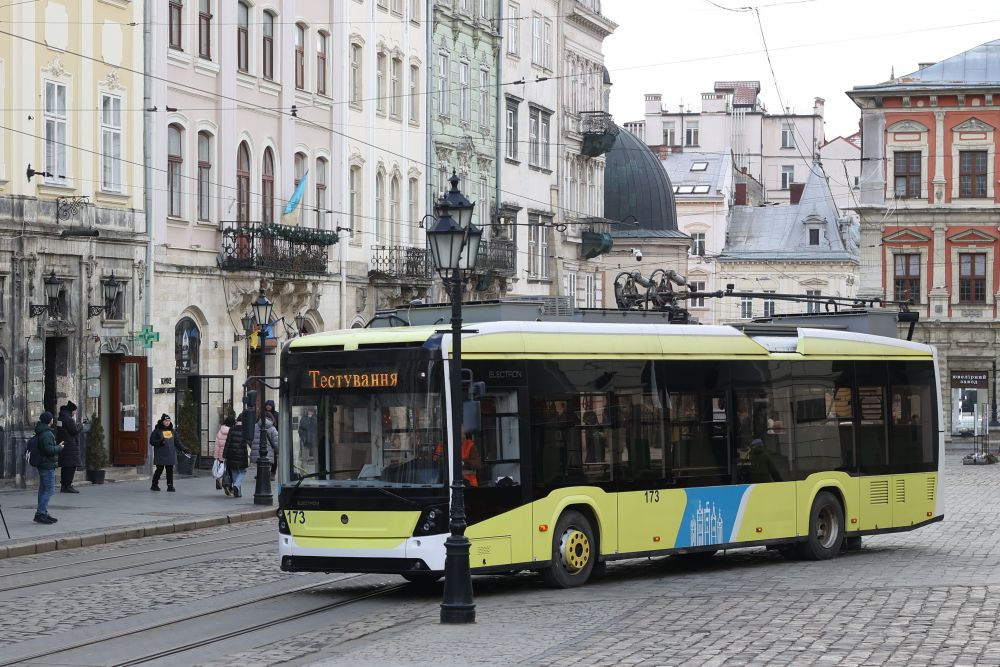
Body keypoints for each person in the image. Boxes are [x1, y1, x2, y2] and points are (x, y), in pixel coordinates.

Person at [34, 411, 63, 524]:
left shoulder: (42, 431)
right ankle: (41, 513)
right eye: (51, 418)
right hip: (47, 465)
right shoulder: (47, 433)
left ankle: (43, 512)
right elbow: (48, 450)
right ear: (49, 420)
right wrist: (59, 447)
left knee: (43, 489)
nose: (53, 419)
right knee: (49, 490)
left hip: (44, 464)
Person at [149, 413, 189, 492]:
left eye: (169, 421)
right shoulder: (157, 430)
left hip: (170, 454)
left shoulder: (172, 431)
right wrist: (160, 442)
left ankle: (170, 486)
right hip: (160, 454)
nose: (168, 422)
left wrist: (184, 449)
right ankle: (154, 485)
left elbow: (177, 442)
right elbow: (152, 441)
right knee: (159, 470)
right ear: (162, 421)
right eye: (166, 421)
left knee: (170, 470)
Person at [56, 401, 82, 493]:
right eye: (75, 411)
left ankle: (64, 485)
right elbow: (74, 431)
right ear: (71, 410)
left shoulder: (61, 418)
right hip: (70, 446)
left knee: (66, 466)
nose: (75, 413)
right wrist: (80, 425)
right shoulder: (68, 419)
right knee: (71, 467)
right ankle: (67, 485)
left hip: (64, 445)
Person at [223, 414, 249, 497]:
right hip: (242, 454)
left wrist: (224, 455)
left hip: (231, 454)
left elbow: (227, 443)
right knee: (243, 471)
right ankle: (236, 486)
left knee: (234, 472)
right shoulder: (246, 430)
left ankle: (237, 492)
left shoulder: (232, 429)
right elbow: (249, 442)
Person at [252, 413, 279, 480]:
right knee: (267, 465)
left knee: (259, 464)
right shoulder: (272, 428)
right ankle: (265, 477)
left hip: (257, 450)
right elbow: (276, 442)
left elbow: (250, 439)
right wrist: (277, 450)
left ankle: (260, 475)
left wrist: (253, 447)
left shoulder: (254, 427)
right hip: (268, 451)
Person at [214, 415, 235, 494]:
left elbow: (217, 445)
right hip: (230, 454)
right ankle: (229, 486)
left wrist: (216, 456)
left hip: (221, 454)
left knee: (223, 470)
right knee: (231, 471)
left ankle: (222, 481)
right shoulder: (232, 431)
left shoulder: (220, 431)